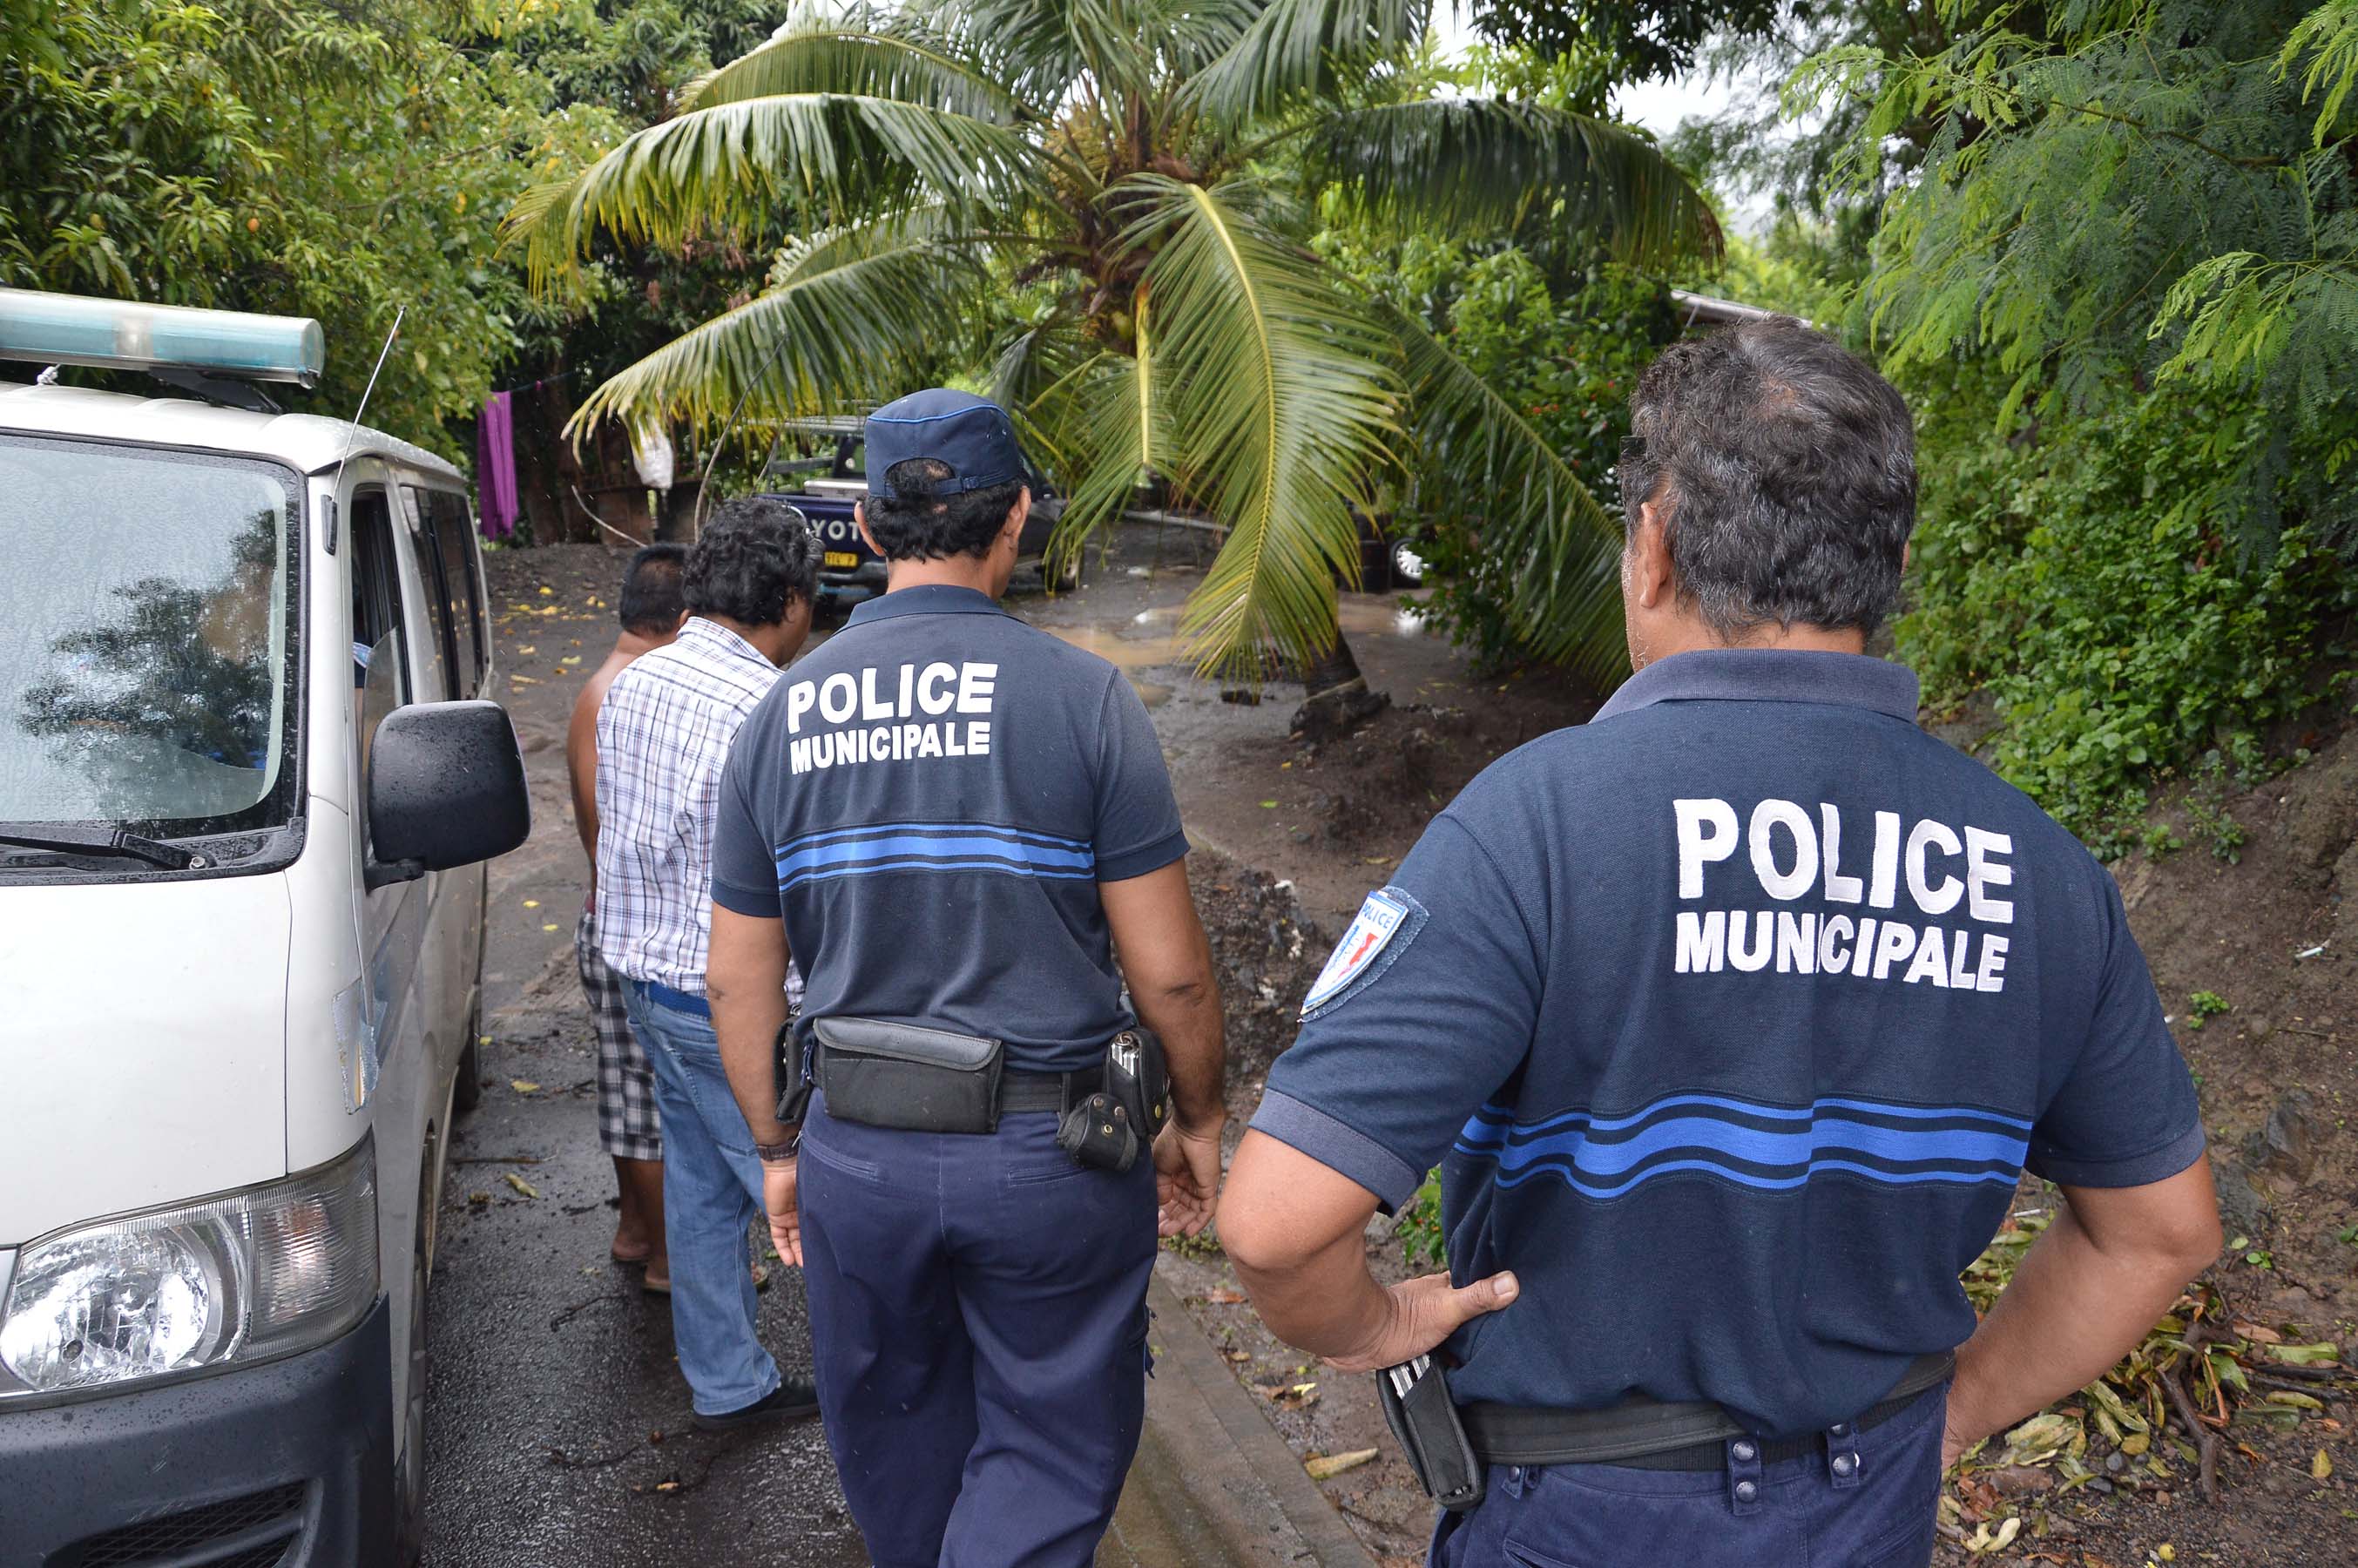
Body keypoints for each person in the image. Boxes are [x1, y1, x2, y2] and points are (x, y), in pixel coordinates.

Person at [1214, 318, 2221, 1567]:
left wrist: (1366, 1328)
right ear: (1892, 564)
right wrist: (1954, 1410)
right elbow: (2158, 1230)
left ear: (1651, 544)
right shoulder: (2043, 872)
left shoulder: (1540, 824)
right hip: (1867, 1506)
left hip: (1584, 1521)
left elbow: (1275, 1224)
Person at [703, 389, 1227, 1567]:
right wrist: (1196, 1118)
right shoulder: (1084, 699)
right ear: (1018, 517)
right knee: (1050, 1450)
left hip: (857, 1158)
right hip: (1052, 1162)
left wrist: (779, 1151)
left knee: (896, 1452)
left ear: (866, 527)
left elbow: (737, 980)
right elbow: (1174, 981)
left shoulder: (778, 717)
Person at [595, 499, 823, 1430]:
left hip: (644, 984)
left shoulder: (635, 680)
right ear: (793, 600)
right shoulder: (771, 709)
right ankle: (885, 1395)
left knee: (697, 1190)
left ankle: (729, 1383)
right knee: (813, 1205)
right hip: (726, 1003)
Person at [568, 543, 686, 1286]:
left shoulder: (601, 684)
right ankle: (673, 1258)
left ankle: (638, 1230)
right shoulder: (633, 691)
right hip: (634, 925)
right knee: (649, 1100)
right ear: (685, 616)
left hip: (604, 916)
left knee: (624, 1083)